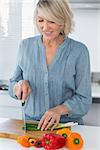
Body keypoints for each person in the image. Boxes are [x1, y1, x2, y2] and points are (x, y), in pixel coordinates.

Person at [9, 0, 92, 131]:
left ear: (63, 22)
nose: (45, 27)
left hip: (66, 127)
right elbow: (12, 83)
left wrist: (59, 110)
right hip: (32, 126)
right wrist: (18, 86)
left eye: (51, 21)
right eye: (40, 20)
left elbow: (84, 100)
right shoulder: (25, 46)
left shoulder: (79, 51)